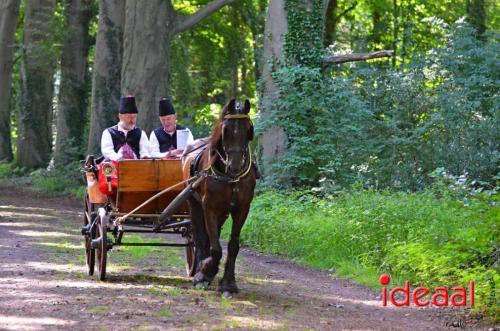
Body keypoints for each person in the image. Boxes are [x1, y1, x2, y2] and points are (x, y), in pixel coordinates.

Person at [100, 96, 150, 160]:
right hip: (115, 167)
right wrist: (120, 158)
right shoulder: (108, 132)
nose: (132, 120)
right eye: (128, 117)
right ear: (120, 116)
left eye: (134, 117)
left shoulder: (141, 133)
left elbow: (144, 151)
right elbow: (107, 151)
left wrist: (144, 156)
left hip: (136, 167)